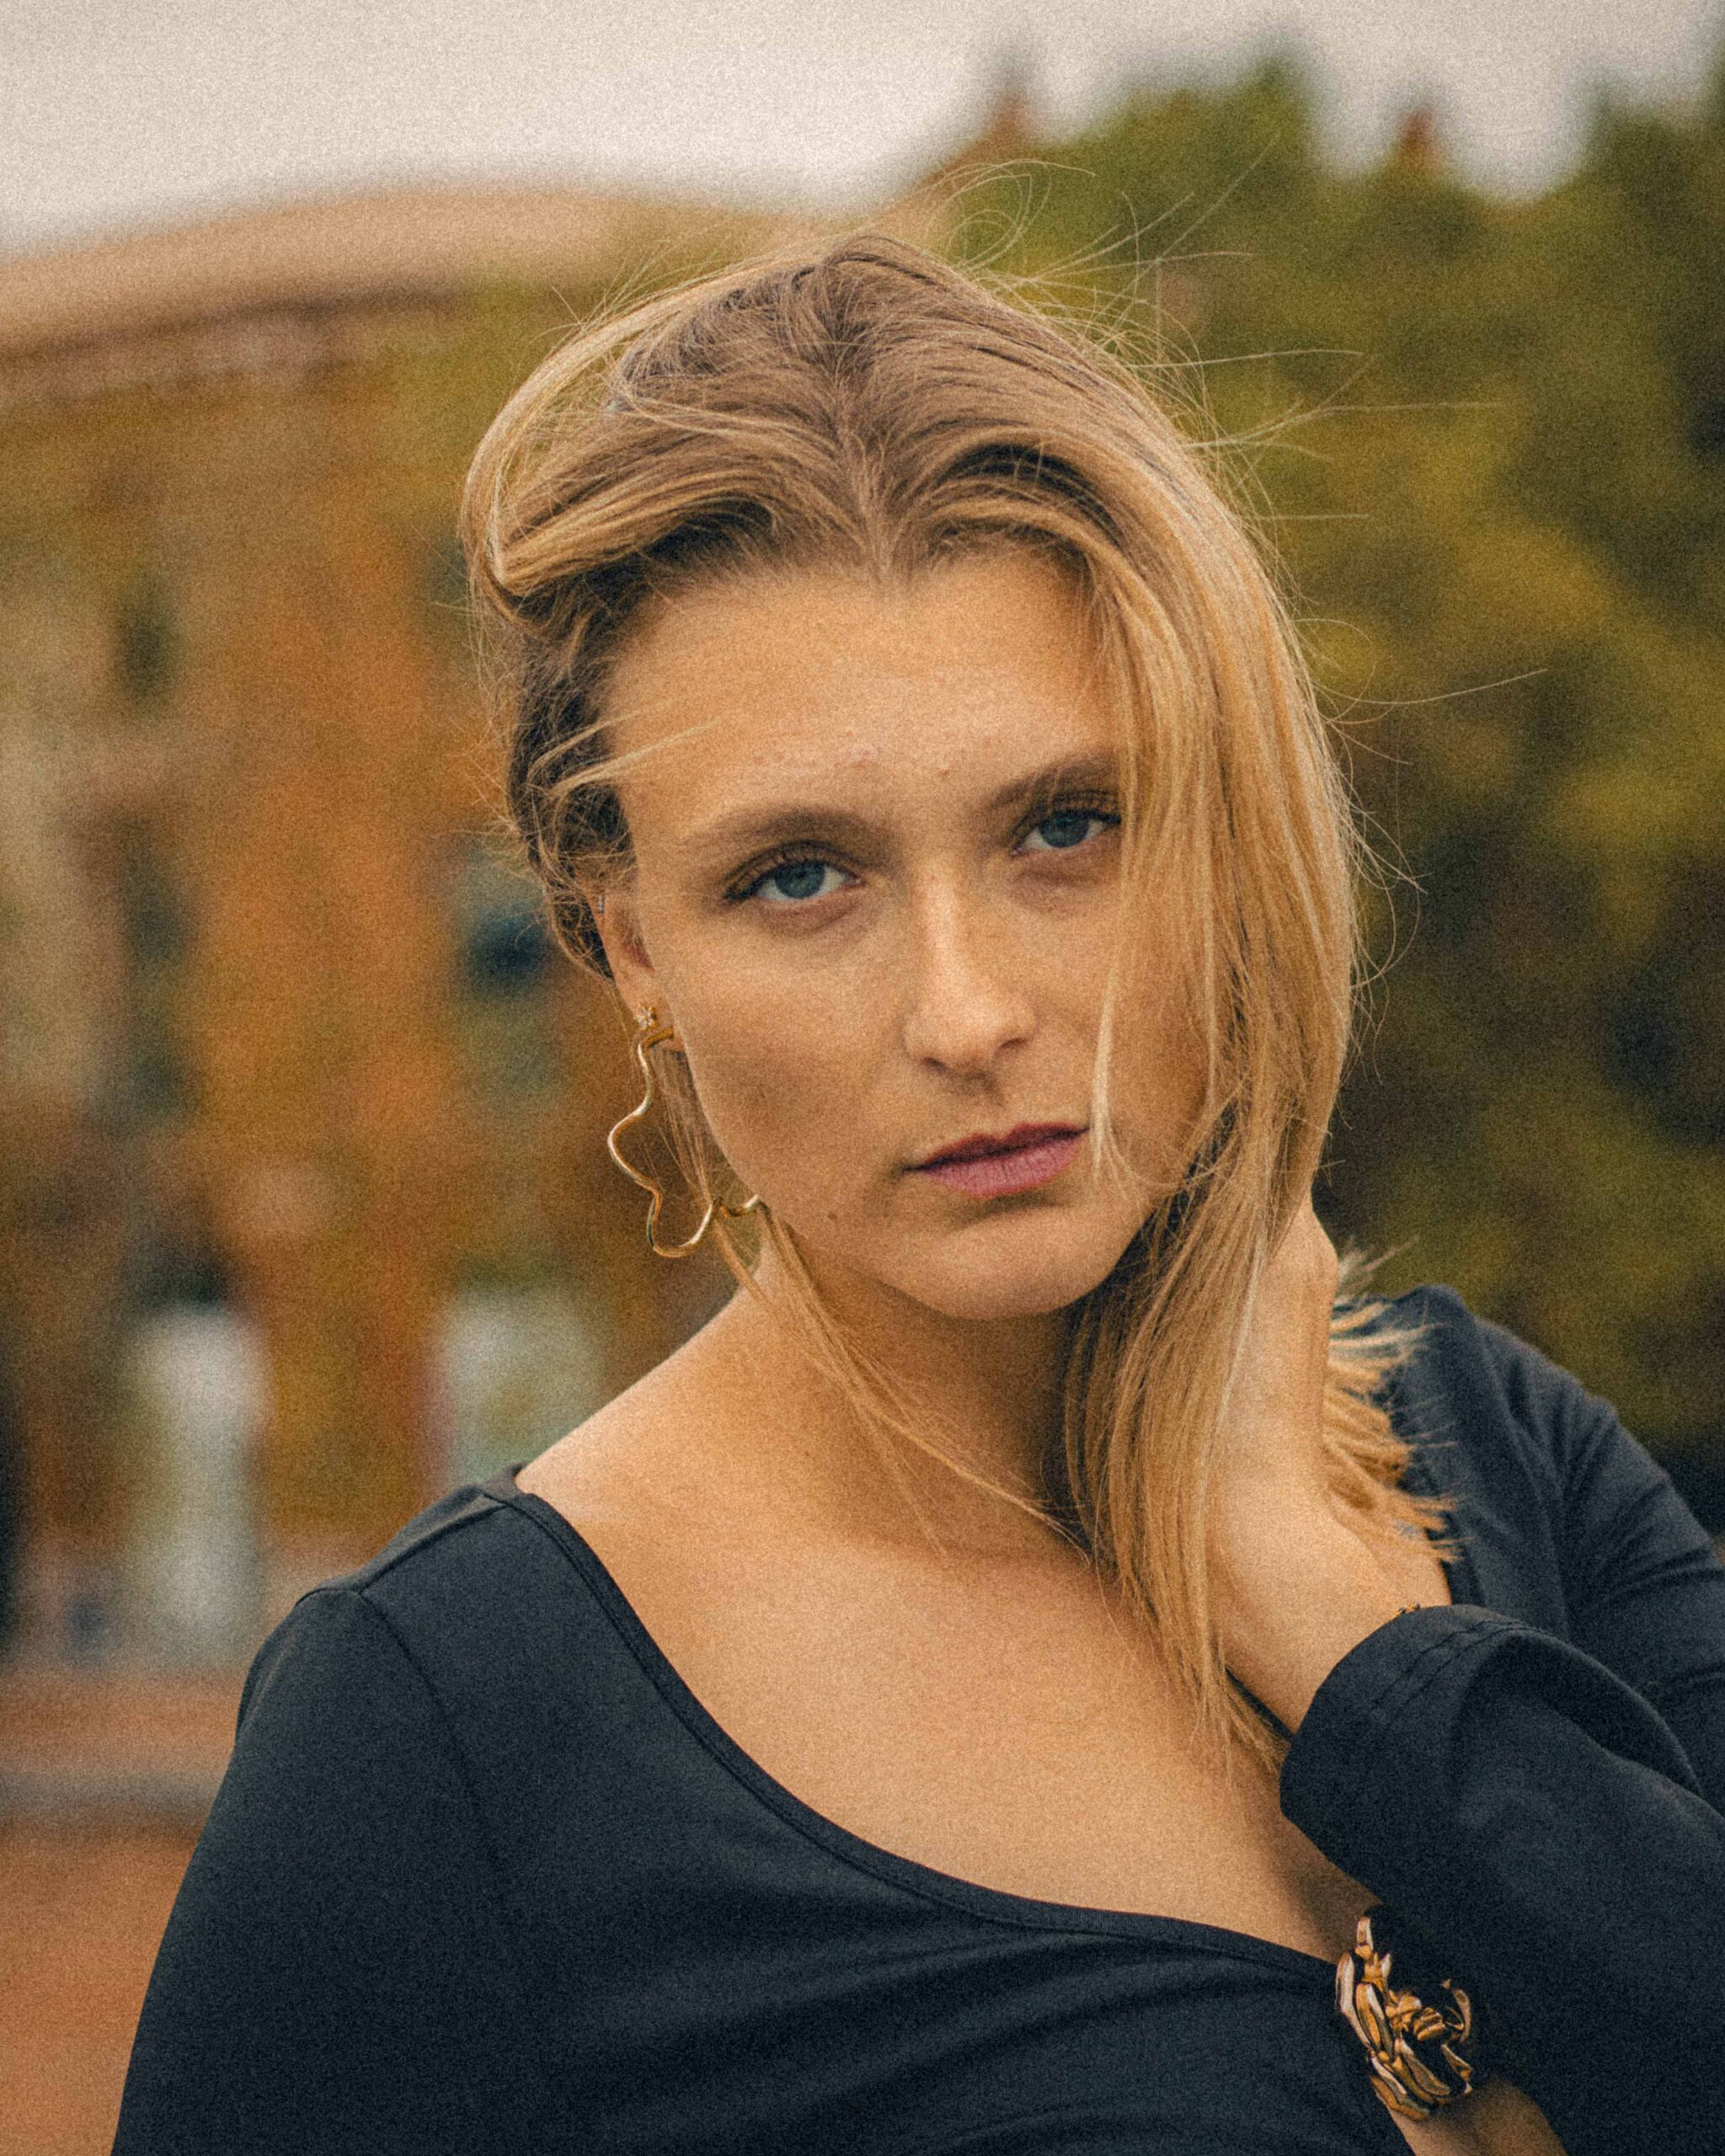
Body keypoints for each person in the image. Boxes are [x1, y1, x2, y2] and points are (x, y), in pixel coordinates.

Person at [112, 237, 1725, 2156]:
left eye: (1068, 826)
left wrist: (1322, 1622)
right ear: (630, 943)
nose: (969, 1015)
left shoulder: (1499, 1449)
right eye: (800, 876)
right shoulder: (445, 1729)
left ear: (1227, 833)